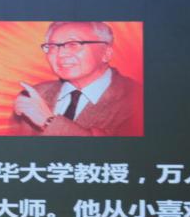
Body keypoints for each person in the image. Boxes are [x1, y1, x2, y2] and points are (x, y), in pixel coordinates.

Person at [10, 21, 143, 136]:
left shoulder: (137, 99)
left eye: (73, 44)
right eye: (52, 46)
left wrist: (48, 122)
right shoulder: (35, 95)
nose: (61, 54)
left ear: (106, 53)